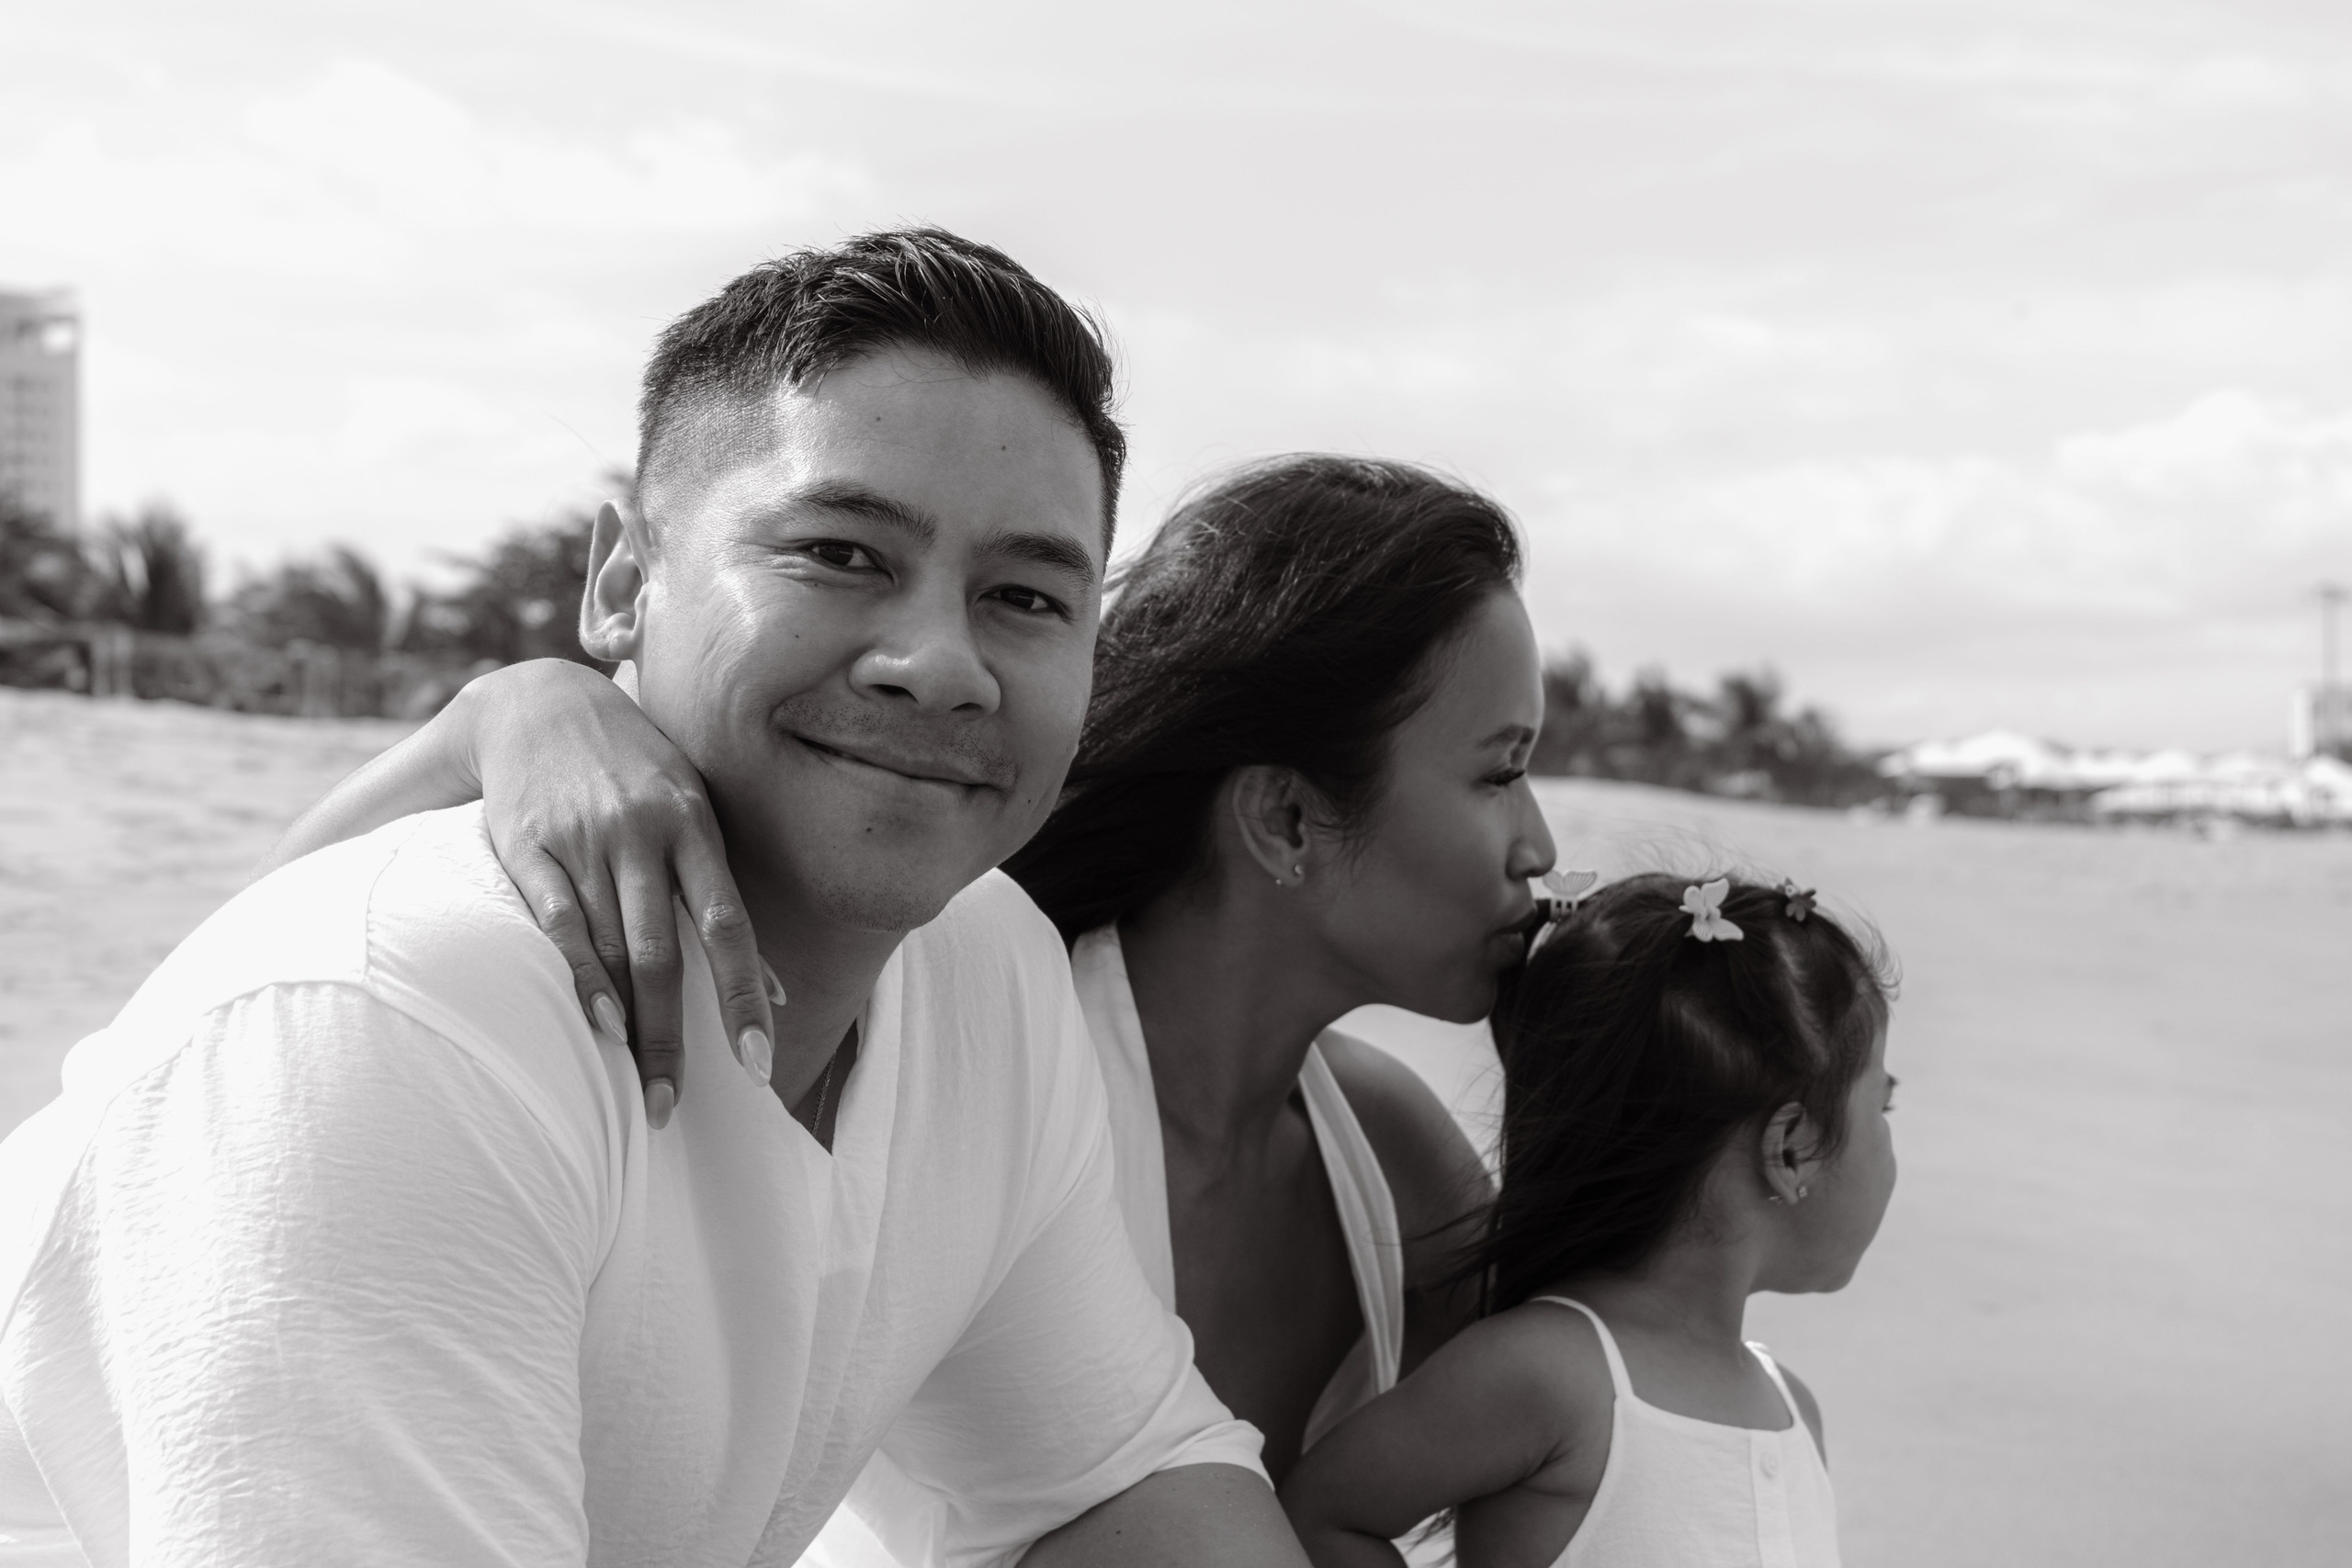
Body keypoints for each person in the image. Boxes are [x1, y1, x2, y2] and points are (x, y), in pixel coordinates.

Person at [0, 230, 1307, 1568]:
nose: (937, 662)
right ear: (624, 583)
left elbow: (1121, 1480)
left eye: (1025, 596)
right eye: (841, 553)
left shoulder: (986, 972)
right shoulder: (409, 1021)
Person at [268, 455, 1548, 1488]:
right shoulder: (967, 1043)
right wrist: (509, 713)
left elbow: (1622, 1416)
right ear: (1285, 818)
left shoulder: (1387, 1152)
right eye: (1500, 773)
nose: (1542, 845)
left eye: (1023, 598)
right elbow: (285, 1006)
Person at [1277, 874, 1899, 1568]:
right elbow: (1322, 1517)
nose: (1890, 1134)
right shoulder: (1546, 1371)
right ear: (1790, 1148)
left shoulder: (1793, 1412)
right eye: (1883, 1106)